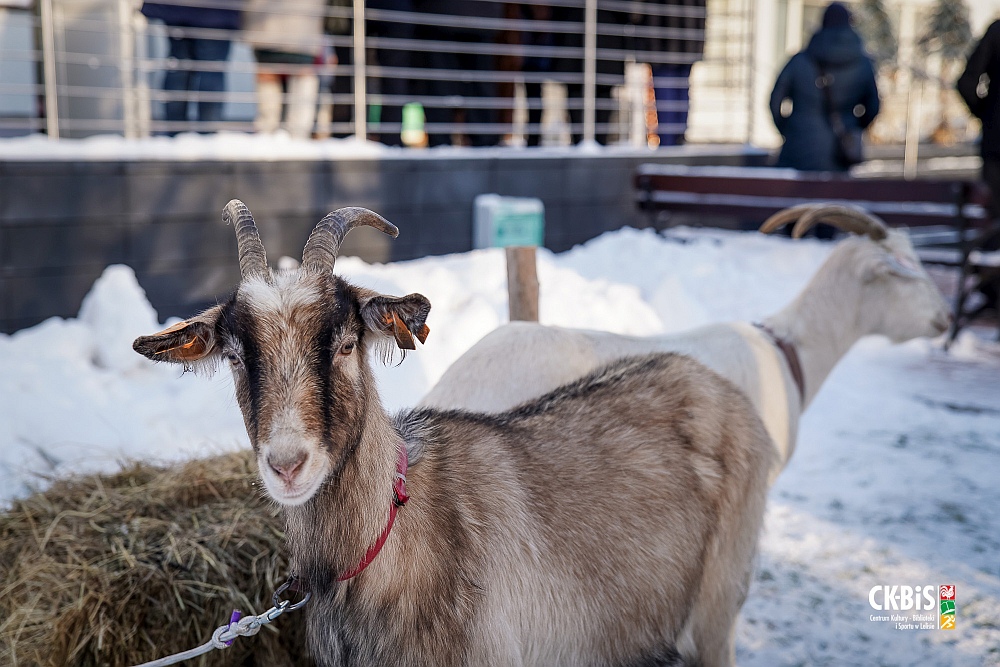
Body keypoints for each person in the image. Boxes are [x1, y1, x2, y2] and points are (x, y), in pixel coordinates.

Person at [769, 2, 880, 172]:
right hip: (839, 153)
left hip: (798, 150)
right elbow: (874, 106)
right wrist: (853, 127)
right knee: (836, 189)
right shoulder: (863, 65)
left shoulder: (799, 61)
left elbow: (775, 101)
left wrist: (789, 130)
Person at [141, 0, 242, 133]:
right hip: (215, 11)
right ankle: (208, 134)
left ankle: (175, 133)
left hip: (177, 9)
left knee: (178, 68)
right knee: (210, 70)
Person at [243, 0, 327, 139]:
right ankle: (297, 135)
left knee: (271, 75)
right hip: (302, 27)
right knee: (300, 76)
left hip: (268, 26)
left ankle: (267, 132)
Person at [958, 19, 1000, 220]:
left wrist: (987, 113)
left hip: (996, 140)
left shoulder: (996, 31)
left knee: (995, 219)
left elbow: (966, 83)